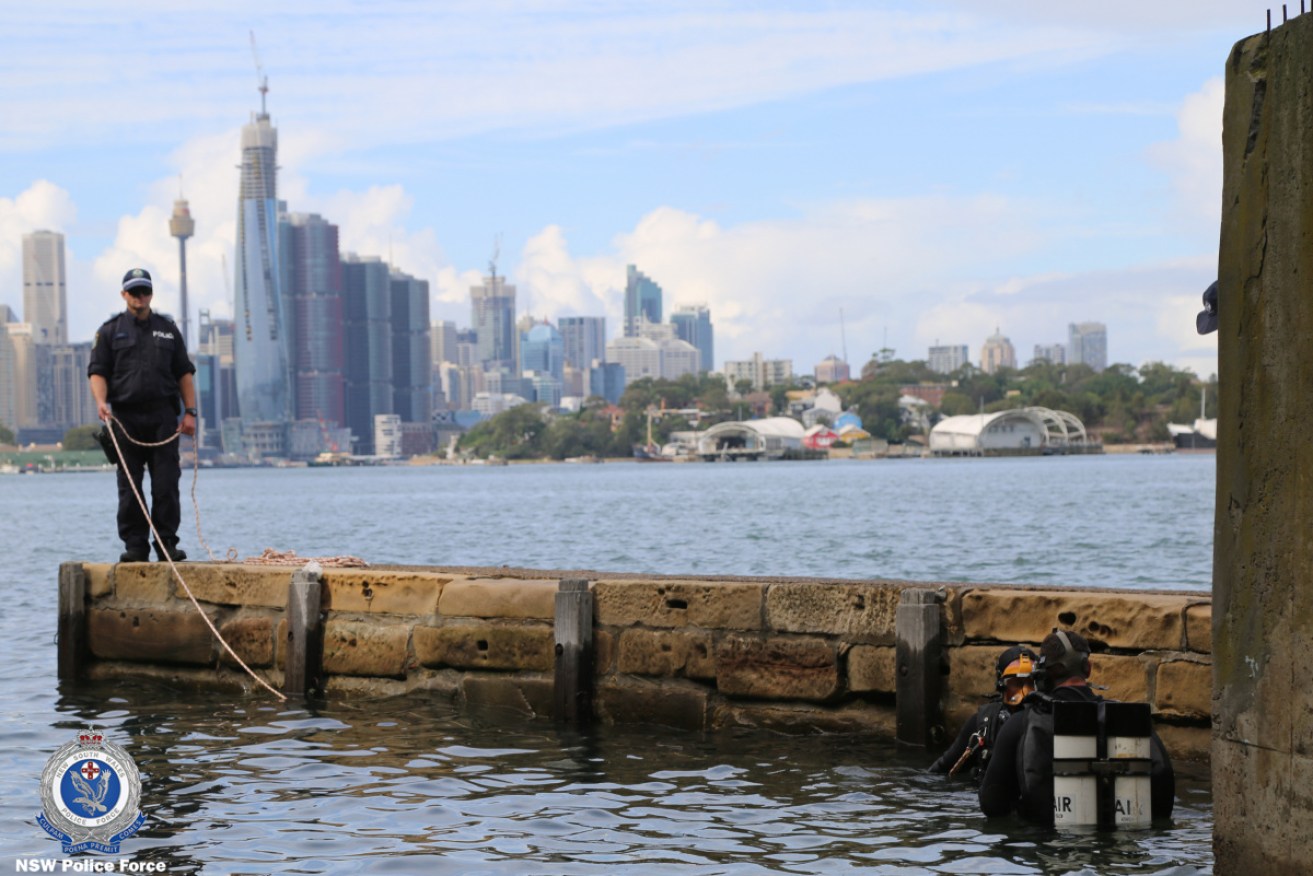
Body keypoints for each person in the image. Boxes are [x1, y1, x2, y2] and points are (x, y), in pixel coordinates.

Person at [977, 629, 1175, 824]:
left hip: (1046, 846)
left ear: (1041, 675)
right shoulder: (1126, 719)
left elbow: (992, 804)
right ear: (1087, 668)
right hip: (1121, 844)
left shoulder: (1021, 723)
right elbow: (1164, 793)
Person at [87, 268, 197, 563]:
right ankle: (136, 546)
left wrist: (190, 413)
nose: (140, 297)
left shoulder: (168, 329)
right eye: (134, 292)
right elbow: (97, 372)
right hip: (125, 418)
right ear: (124, 294)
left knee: (166, 484)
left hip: (163, 418)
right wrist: (101, 403)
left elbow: (184, 372)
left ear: (151, 293)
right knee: (130, 487)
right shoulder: (109, 331)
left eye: (144, 291)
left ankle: (166, 545)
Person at [929, 645, 1036, 780]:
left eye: (1031, 683)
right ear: (1001, 684)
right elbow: (939, 772)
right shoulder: (984, 722)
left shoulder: (1048, 719)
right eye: (1016, 683)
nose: (1025, 692)